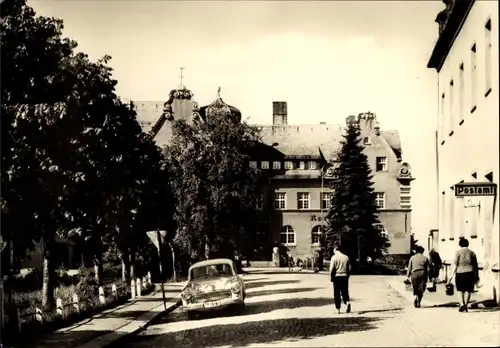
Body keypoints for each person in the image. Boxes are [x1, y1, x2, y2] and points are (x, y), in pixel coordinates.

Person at [449, 238, 479, 312]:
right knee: (468, 290)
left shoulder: (458, 252)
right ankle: (465, 305)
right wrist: (477, 276)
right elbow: (475, 265)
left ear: (460, 244)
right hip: (470, 273)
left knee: (460, 289)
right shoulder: (472, 253)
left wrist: (451, 276)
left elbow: (455, 264)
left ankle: (462, 303)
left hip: (460, 273)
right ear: (467, 244)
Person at [329, 243, 351, 314]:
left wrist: (331, 277)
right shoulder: (346, 257)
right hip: (345, 276)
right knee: (345, 291)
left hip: (337, 277)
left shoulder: (334, 257)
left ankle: (338, 309)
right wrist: (347, 275)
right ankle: (347, 302)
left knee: (337, 293)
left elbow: (331, 269)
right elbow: (349, 269)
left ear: (335, 249)